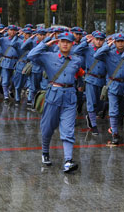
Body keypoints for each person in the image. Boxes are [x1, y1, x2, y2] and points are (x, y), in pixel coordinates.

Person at [27, 32, 84, 173]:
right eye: (62, 41)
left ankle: (68, 161)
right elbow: (31, 56)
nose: (65, 44)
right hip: (53, 95)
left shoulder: (77, 60)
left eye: (68, 42)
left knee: (68, 130)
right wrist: (45, 44)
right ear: (58, 43)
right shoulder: (48, 56)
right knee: (47, 127)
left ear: (72, 44)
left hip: (70, 97)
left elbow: (79, 75)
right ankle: (45, 152)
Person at [94, 33, 124, 145]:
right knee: (113, 110)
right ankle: (114, 133)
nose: (120, 43)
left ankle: (116, 126)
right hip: (113, 84)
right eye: (118, 41)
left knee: (121, 109)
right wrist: (107, 45)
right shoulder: (109, 53)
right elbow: (96, 55)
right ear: (115, 42)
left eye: (122, 41)